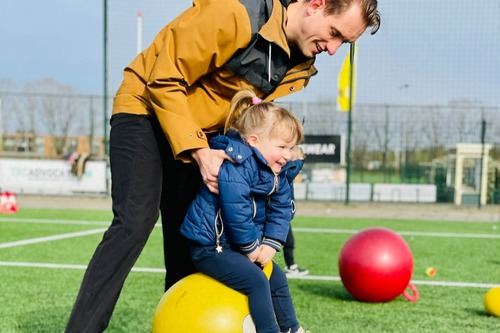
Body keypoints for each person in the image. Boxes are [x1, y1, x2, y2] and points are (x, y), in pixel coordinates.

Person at [65, 0, 381, 331]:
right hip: (145, 109)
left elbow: (244, 117)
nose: (332, 49)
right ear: (315, 5)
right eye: (334, 34)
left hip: (206, 136)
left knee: (193, 237)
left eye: (343, 43)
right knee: (134, 222)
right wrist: (199, 150)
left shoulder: (299, 64)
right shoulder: (236, 12)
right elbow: (164, 77)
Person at [181, 89, 307, 333]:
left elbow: (281, 210)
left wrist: (270, 244)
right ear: (253, 141)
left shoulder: (277, 174)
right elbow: (235, 209)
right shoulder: (236, 164)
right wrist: (251, 247)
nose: (287, 155)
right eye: (282, 146)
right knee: (258, 281)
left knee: (277, 279)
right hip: (212, 248)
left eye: (291, 148)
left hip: (239, 247)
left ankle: (292, 329)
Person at [283, 146, 310, 277]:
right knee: (288, 242)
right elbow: (292, 171)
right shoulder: (285, 172)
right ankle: (291, 267)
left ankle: (291, 266)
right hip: (280, 215)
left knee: (289, 242)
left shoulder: (286, 171)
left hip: (284, 215)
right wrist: (299, 160)